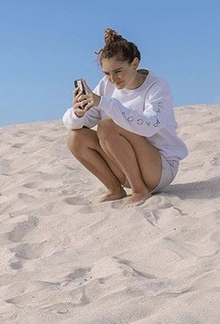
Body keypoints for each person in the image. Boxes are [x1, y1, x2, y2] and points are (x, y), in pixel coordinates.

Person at [63, 28, 189, 206]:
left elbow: (148, 126)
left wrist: (106, 103)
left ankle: (139, 190)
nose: (113, 79)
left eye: (118, 71)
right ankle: (115, 189)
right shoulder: (106, 85)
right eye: (107, 73)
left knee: (107, 125)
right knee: (75, 137)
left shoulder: (158, 87)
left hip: (159, 169)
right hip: (126, 167)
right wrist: (78, 113)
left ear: (135, 63)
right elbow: (73, 123)